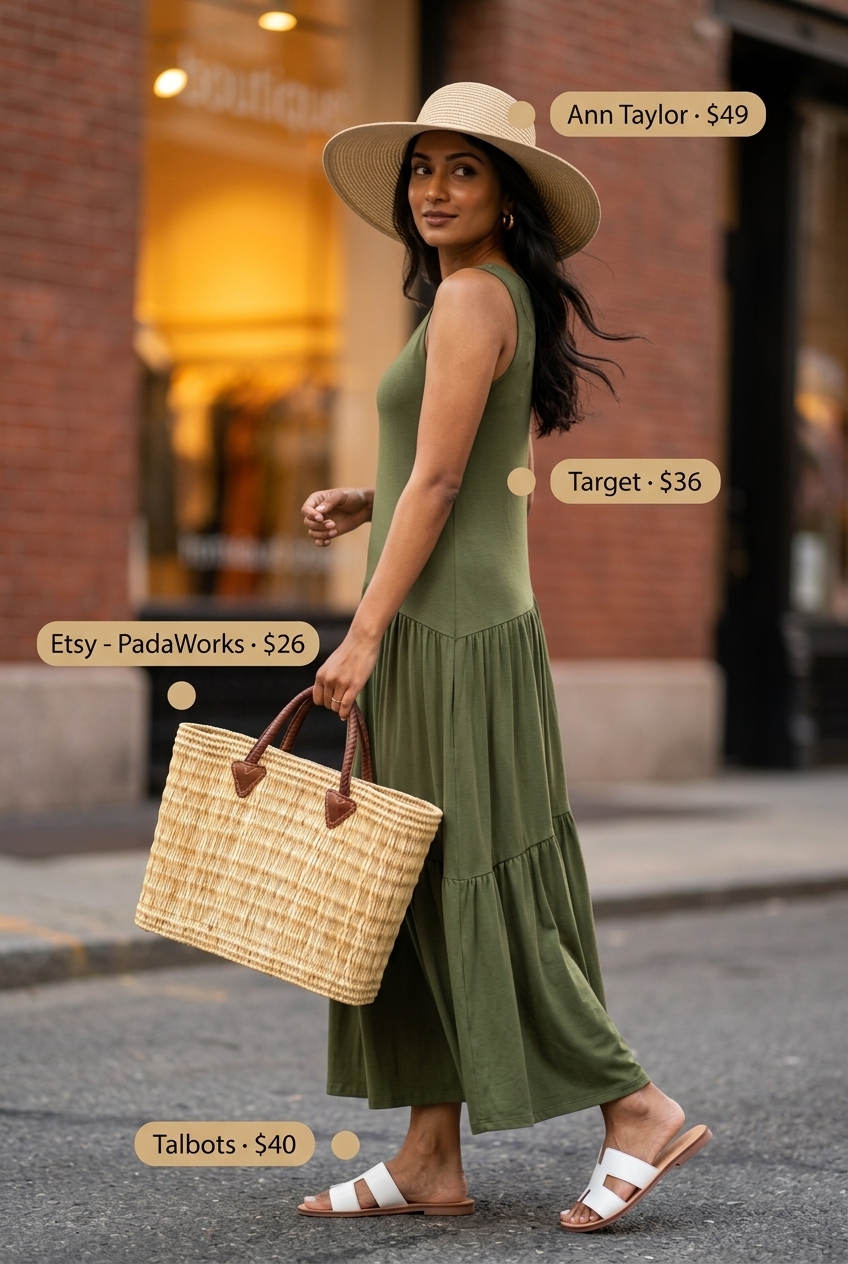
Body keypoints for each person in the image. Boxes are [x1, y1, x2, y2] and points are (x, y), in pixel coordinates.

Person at [298, 82, 711, 1232]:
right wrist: (370, 494)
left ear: (507, 198)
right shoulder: (485, 297)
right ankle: (430, 1154)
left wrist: (363, 628)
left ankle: (635, 1105)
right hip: (464, 620)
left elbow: (442, 483)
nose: (433, 189)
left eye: (462, 169)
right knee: (418, 884)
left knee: (473, 879)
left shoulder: (474, 294)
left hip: (448, 634)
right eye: (421, 168)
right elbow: (457, 466)